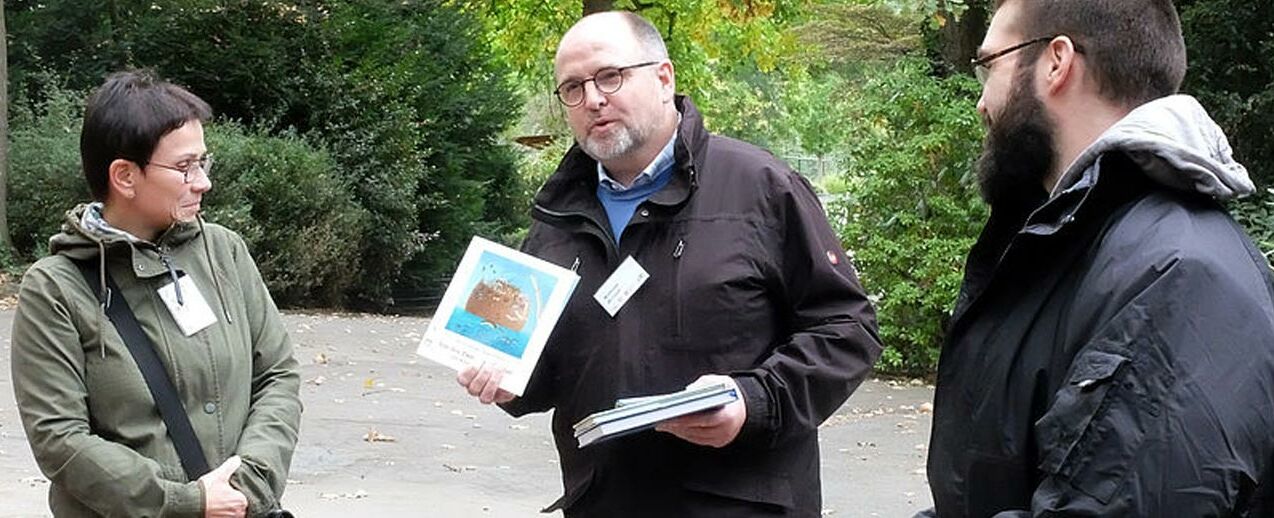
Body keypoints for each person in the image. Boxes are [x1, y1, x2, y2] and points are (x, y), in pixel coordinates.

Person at [457, 10, 882, 517]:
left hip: (740, 506)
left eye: (610, 76)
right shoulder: (557, 217)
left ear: (664, 77)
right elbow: (553, 370)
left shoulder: (761, 188)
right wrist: (510, 381)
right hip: (602, 502)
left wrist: (755, 400)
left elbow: (847, 329)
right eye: (572, 88)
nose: (593, 98)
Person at [922, 0, 1274, 515]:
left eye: (988, 65)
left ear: (1056, 61)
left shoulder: (1176, 274)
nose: (982, 102)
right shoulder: (1064, 245)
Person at [10, 71, 302, 517]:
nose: (202, 181)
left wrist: (247, 487)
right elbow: (60, 439)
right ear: (125, 176)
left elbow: (277, 376)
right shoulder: (55, 289)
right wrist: (188, 503)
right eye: (185, 167)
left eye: (204, 162)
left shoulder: (224, 252)